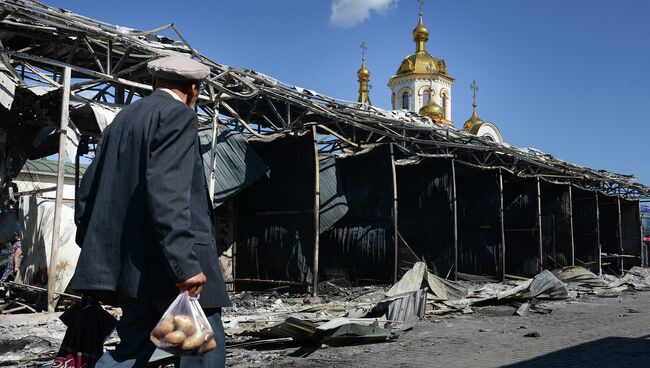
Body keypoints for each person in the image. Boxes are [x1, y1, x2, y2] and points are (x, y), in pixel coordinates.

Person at [70, 55, 231, 368]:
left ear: (154, 83)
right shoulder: (178, 115)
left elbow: (87, 192)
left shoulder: (121, 120)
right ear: (194, 89)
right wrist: (184, 265)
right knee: (200, 352)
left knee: (132, 347)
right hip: (167, 268)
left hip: (132, 269)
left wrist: (98, 248)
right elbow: (167, 193)